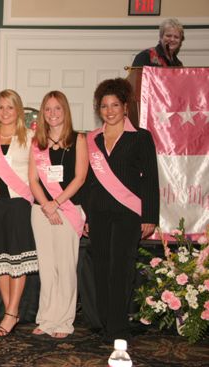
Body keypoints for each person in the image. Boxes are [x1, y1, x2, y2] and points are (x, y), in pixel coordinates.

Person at [85, 78, 159, 341]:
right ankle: (104, 324)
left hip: (128, 213)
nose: (109, 110)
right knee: (102, 269)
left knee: (122, 270)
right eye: (104, 106)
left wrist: (150, 215)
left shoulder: (140, 137)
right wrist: (85, 214)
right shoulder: (91, 139)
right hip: (98, 213)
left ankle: (118, 328)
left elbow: (150, 177)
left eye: (114, 104)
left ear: (125, 107)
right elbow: (88, 180)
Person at [28, 91, 88, 339]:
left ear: (65, 111)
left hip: (68, 208)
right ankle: (46, 317)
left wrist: (57, 203)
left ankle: (64, 321)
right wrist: (46, 205)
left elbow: (80, 177)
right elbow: (32, 179)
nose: (52, 114)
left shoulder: (79, 139)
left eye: (57, 109)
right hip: (41, 210)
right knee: (47, 267)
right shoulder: (36, 142)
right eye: (48, 109)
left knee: (65, 266)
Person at [0, 89, 38, 337]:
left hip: (18, 205)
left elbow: (38, 174)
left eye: (10, 107)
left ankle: (12, 312)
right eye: (1, 107)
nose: (5, 112)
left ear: (19, 110)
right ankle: (9, 310)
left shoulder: (31, 137)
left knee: (17, 260)